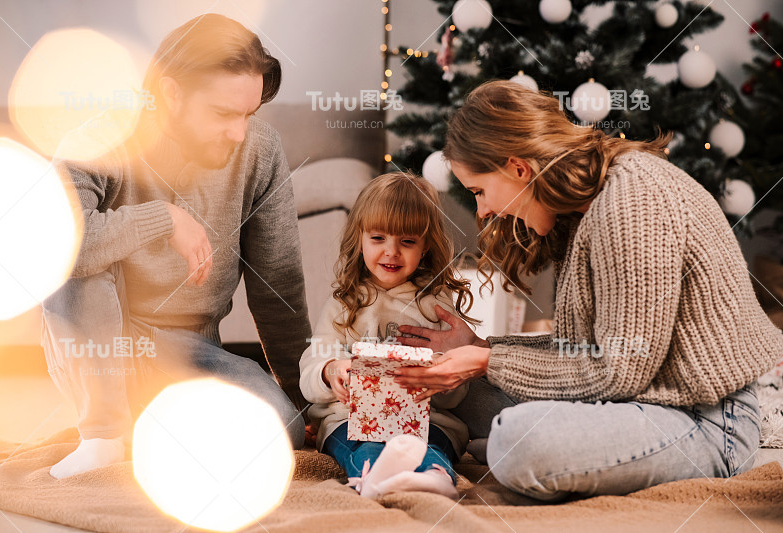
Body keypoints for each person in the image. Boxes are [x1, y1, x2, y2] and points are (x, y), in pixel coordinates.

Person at [393, 80, 783, 501]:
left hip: (705, 422)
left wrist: (487, 361)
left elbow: (616, 372)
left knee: (518, 443)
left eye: (479, 191)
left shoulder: (631, 202)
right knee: (458, 394)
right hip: (638, 399)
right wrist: (480, 347)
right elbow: (584, 350)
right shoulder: (582, 210)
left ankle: (538, 451)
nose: (484, 210)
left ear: (518, 168)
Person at [41, 14, 309, 479]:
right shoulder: (99, 139)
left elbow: (277, 284)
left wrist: (305, 398)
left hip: (189, 352)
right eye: (224, 114)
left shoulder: (260, 151)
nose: (239, 133)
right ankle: (103, 433)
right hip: (102, 344)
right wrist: (163, 218)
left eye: (249, 114)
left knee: (285, 428)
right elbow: (58, 250)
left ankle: (150, 426)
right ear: (170, 94)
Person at [299, 172, 475, 498]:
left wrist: (437, 375)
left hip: (424, 420)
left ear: (425, 247)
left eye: (407, 242)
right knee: (362, 445)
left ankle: (433, 475)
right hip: (349, 416)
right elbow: (311, 369)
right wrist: (330, 371)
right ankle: (373, 477)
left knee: (429, 444)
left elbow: (455, 394)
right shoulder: (344, 302)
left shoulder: (435, 304)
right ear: (360, 239)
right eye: (378, 238)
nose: (391, 252)